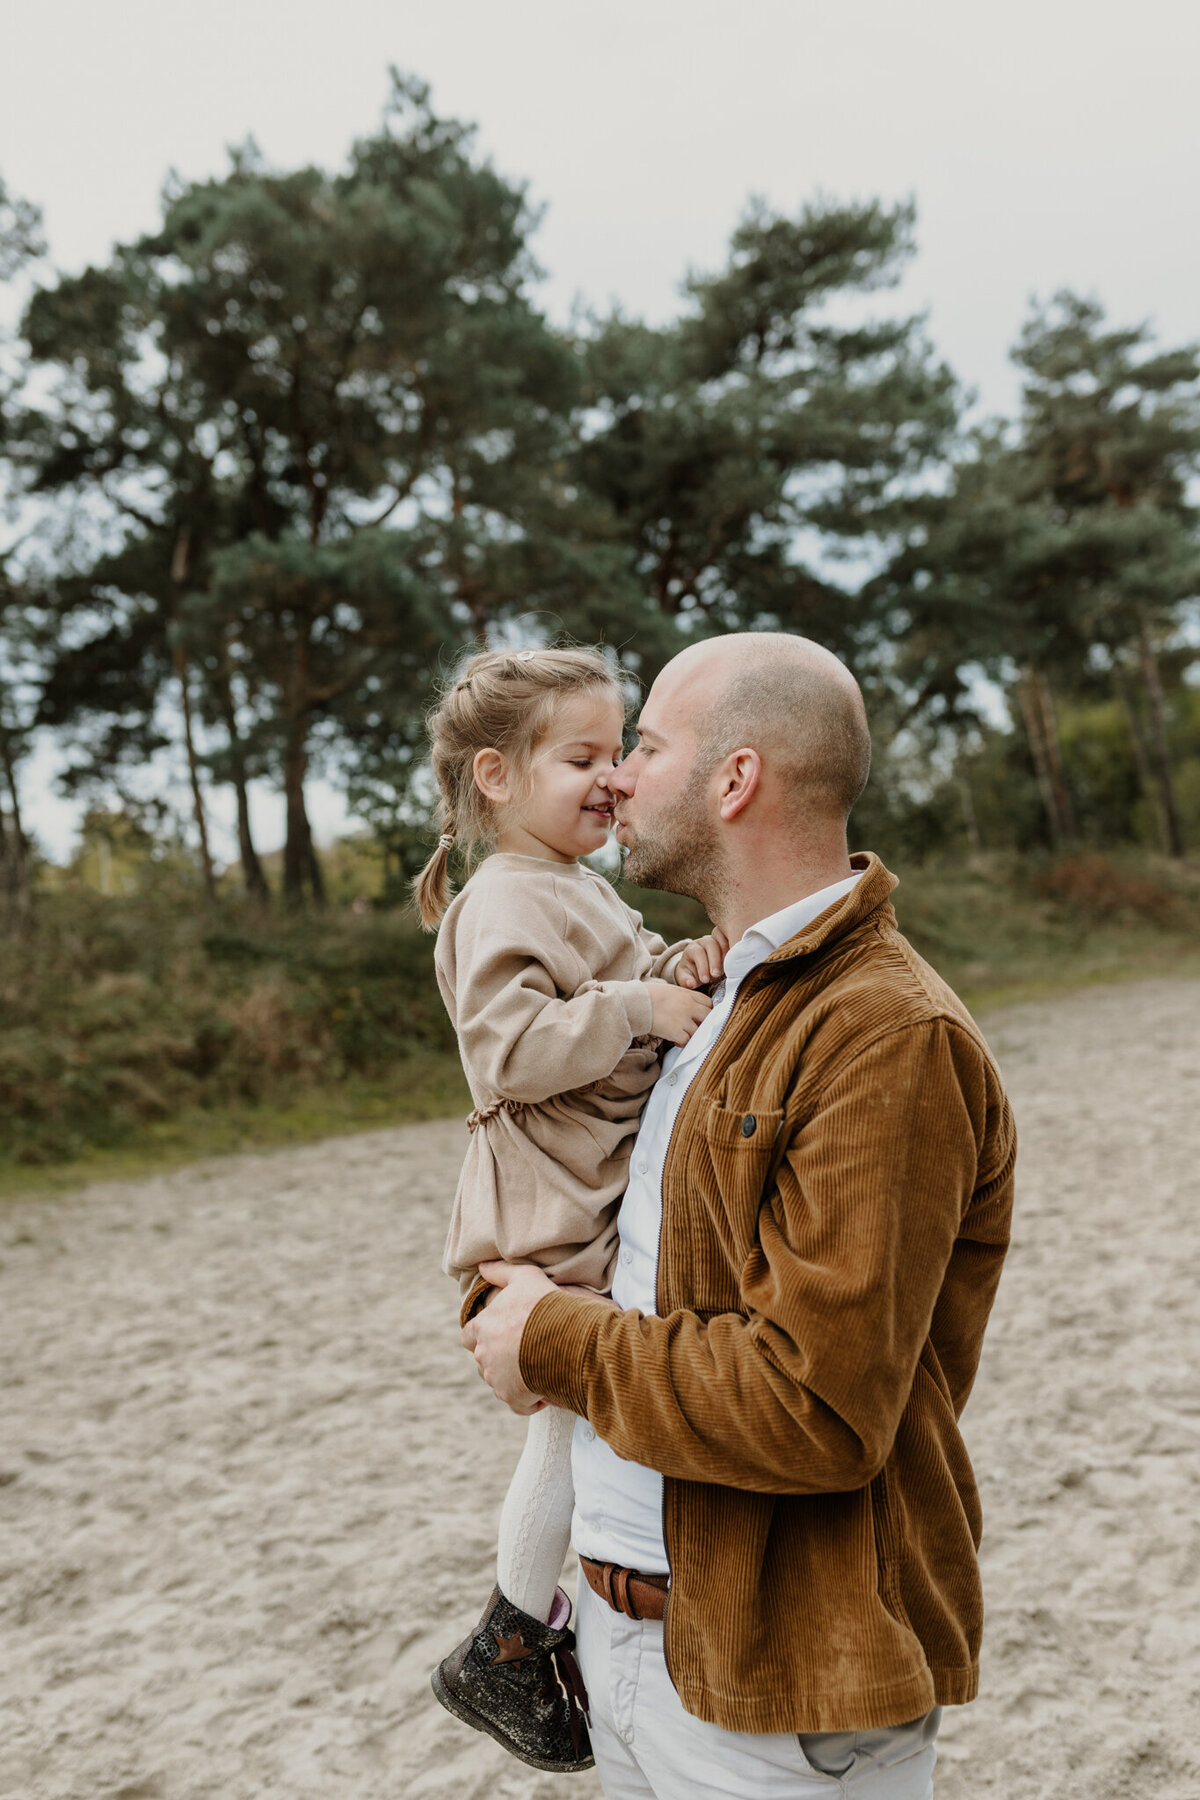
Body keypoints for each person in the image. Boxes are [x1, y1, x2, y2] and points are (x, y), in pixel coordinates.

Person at [463, 632, 1017, 1799]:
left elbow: (816, 1403)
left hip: (777, 1694)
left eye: (645, 747)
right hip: (620, 1647)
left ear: (734, 781)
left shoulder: (884, 1035)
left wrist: (550, 1339)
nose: (616, 778)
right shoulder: (711, 998)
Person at [412, 644, 726, 1774]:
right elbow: (509, 1049)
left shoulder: (580, 886)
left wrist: (675, 967)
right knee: (569, 1416)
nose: (613, 778)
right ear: (496, 776)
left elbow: (632, 972)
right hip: (545, 1209)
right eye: (581, 757)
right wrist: (639, 1005)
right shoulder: (500, 898)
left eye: (619, 751)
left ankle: (547, 1621)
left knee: (587, 1417)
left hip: (589, 1186)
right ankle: (504, 1636)